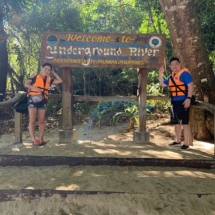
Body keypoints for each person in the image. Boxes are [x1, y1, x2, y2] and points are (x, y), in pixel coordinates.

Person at [158, 57, 194, 150]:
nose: (174, 66)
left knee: (185, 123)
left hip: (183, 101)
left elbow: (191, 86)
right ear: (170, 66)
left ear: (179, 64)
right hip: (174, 102)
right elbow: (162, 84)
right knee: (176, 123)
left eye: (176, 64)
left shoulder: (185, 74)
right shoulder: (171, 77)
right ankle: (177, 141)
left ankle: (186, 143)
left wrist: (188, 99)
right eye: (172, 65)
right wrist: (160, 73)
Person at [24, 63, 63, 146]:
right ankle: (34, 140)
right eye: (45, 69)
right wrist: (35, 88)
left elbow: (60, 80)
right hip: (32, 100)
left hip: (42, 101)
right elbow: (26, 84)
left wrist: (53, 72)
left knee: (41, 121)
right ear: (42, 68)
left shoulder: (49, 79)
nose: (47, 71)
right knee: (32, 120)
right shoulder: (35, 75)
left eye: (49, 70)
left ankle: (41, 138)